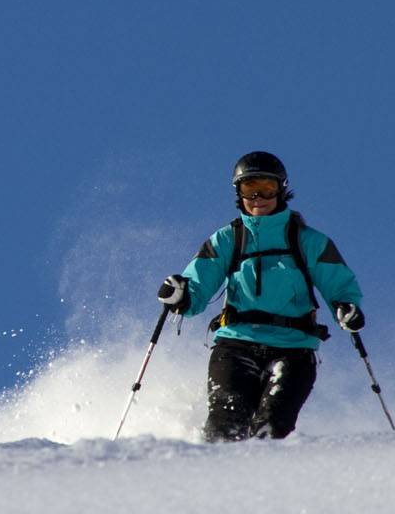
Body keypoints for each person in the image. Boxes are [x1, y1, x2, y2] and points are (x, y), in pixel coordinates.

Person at [156, 151, 366, 441]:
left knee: (271, 428)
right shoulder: (228, 238)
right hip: (235, 345)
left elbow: (339, 285)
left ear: (281, 189)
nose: (258, 197)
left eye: (267, 188)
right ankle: (210, 482)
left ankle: (260, 484)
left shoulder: (308, 240)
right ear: (238, 193)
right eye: (249, 189)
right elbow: (197, 285)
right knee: (224, 426)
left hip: (293, 349)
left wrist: (347, 308)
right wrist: (181, 295)